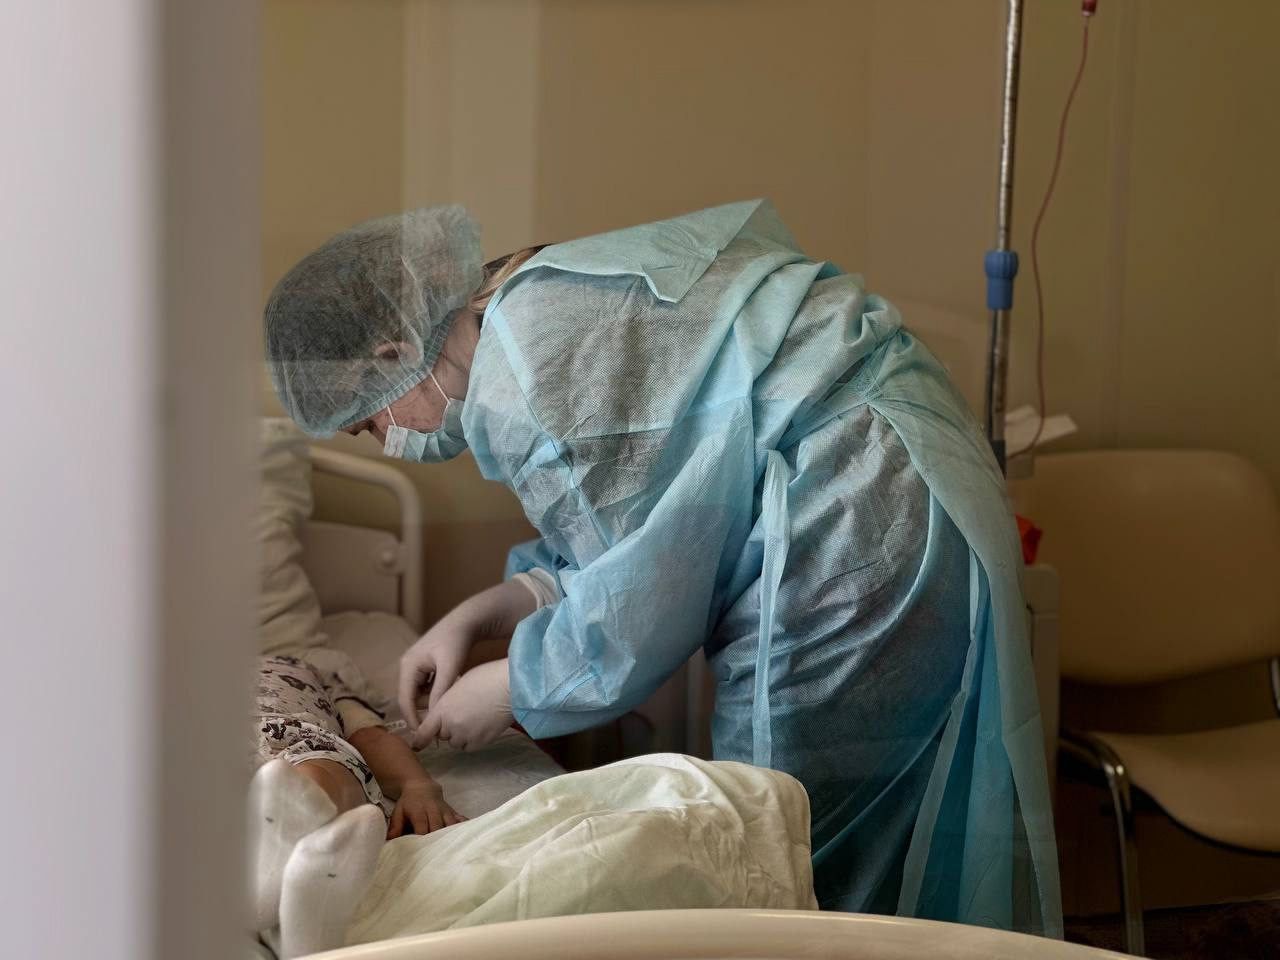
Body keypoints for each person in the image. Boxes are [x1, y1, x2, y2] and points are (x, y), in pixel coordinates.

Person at [263, 201, 1062, 934]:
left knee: (797, 831)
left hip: (856, 518)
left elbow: (643, 598)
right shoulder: (532, 299)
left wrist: (517, 684)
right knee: (889, 816)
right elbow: (645, 517)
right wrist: (499, 606)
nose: (389, 442)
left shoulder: (523, 377)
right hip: (906, 474)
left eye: (370, 423)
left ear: (395, 351)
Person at [249, 652, 463, 958]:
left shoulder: (305, 668)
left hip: (302, 748)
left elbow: (369, 737)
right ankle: (290, 917)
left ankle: (289, 907)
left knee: (314, 782)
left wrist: (416, 784)